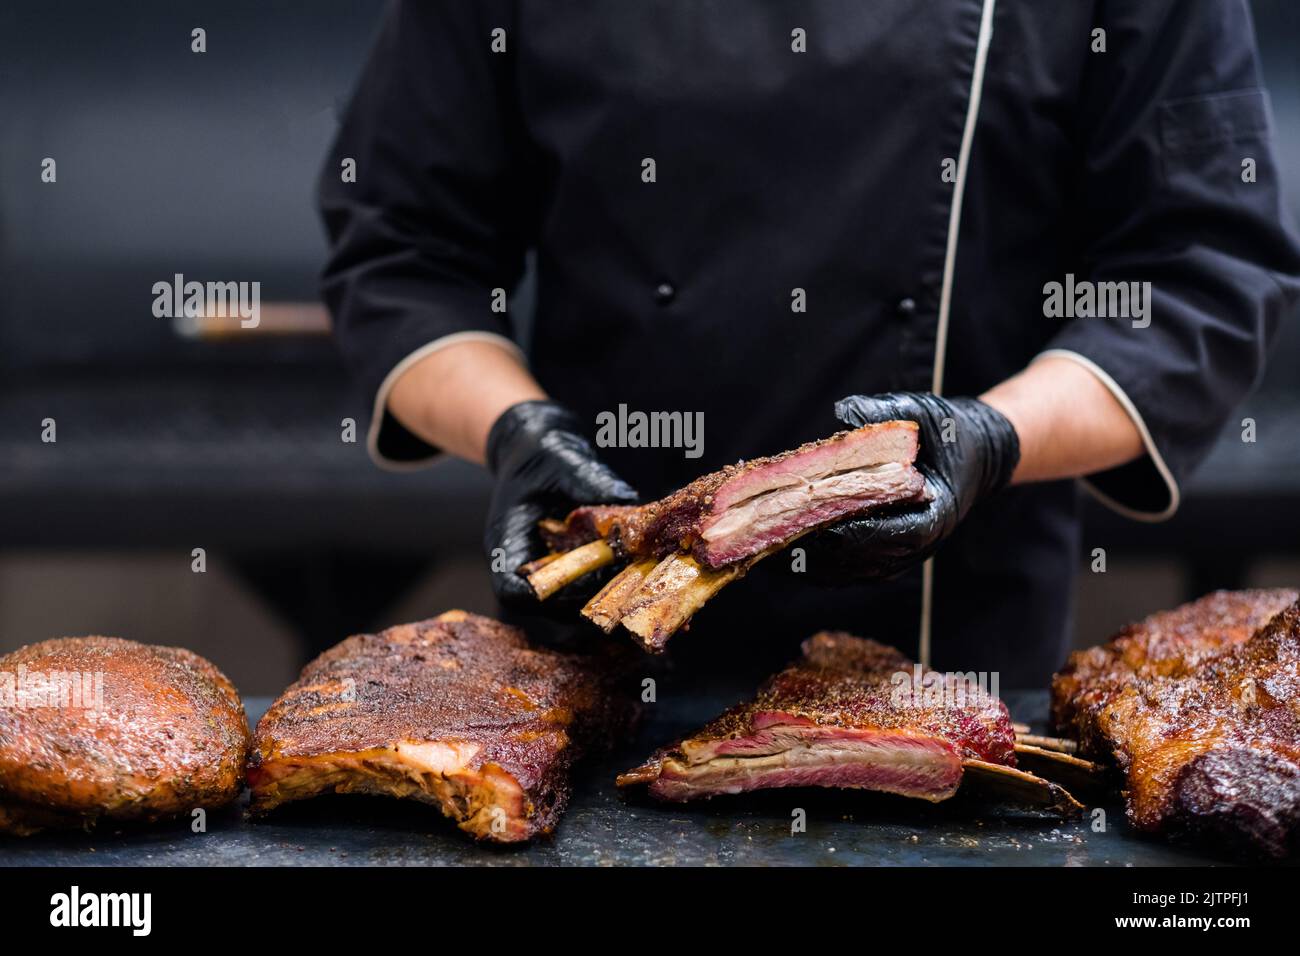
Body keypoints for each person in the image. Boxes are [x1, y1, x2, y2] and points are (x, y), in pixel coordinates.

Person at [319, 0, 1300, 686]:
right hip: (593, 652)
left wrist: (991, 437)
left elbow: (1194, 272)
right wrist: (516, 430)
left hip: (945, 659)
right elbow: (402, 249)